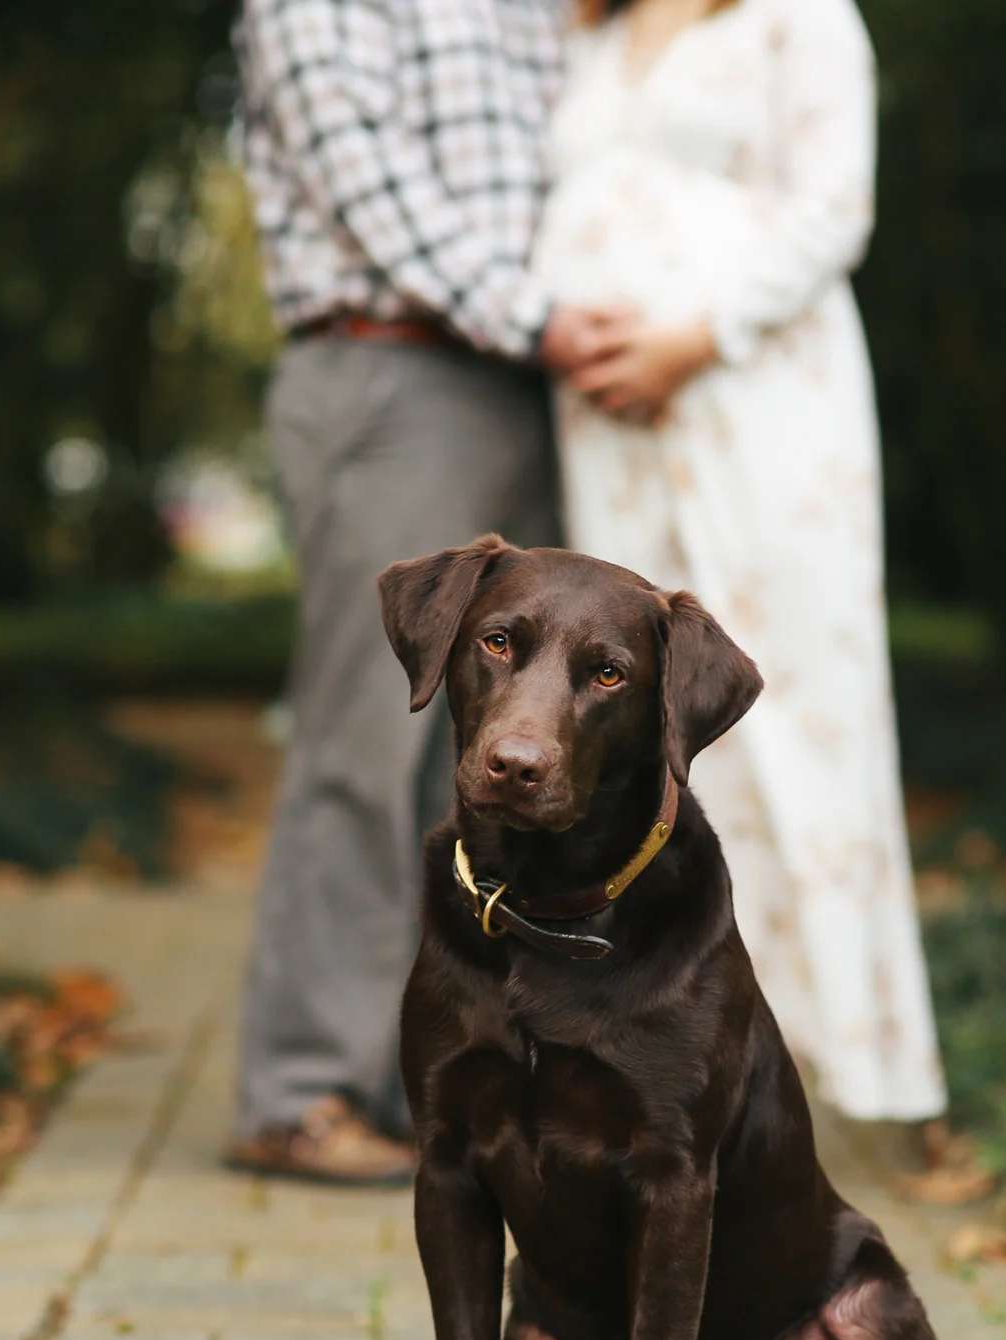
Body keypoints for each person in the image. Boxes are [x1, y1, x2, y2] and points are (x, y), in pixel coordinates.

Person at [531, 0, 950, 1130]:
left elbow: (832, 212)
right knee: (627, 719)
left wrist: (695, 334)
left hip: (757, 397)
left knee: (784, 715)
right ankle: (655, 1039)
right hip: (615, 428)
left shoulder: (799, 17)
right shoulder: (592, 30)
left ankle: (818, 1060)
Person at [223, 0, 623, 1184]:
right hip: (395, 370)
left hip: (529, 382)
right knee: (366, 738)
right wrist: (545, 320)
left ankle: (438, 1083)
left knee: (510, 749)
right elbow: (369, 185)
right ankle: (300, 1089)